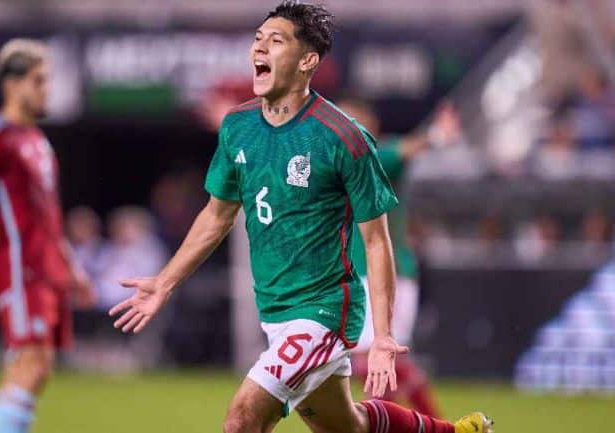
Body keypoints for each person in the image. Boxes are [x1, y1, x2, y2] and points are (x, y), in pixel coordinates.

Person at [110, 3, 493, 433]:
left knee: (241, 420)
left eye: (275, 41)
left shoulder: (343, 138)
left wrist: (382, 334)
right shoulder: (237, 126)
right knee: (349, 425)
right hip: (275, 311)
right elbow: (216, 216)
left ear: (307, 61)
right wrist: (164, 281)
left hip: (326, 311)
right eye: (258, 39)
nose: (260, 47)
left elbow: (375, 241)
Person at [0, 39, 94, 433]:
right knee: (33, 363)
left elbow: (48, 216)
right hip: (19, 268)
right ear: (13, 84)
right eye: (39, 81)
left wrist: (71, 267)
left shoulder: (37, 141)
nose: (46, 90)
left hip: (47, 269)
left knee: (36, 367)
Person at [337, 99, 459, 417]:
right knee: (375, 361)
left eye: (350, 119)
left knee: (374, 358)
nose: (340, 125)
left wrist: (435, 136)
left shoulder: (376, 157)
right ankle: (421, 422)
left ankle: (430, 423)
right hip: (364, 273)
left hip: (385, 274)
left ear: (369, 125)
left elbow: (405, 148)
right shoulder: (339, 164)